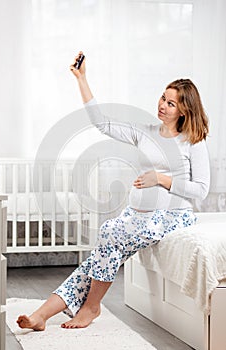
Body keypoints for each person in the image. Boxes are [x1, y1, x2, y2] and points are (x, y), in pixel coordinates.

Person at [17, 51, 210, 330]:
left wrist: (161, 179)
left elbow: (201, 190)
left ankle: (91, 307)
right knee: (100, 256)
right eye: (162, 98)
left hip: (172, 217)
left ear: (184, 110)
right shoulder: (146, 132)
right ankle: (42, 315)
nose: (163, 105)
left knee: (108, 233)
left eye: (171, 103)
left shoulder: (193, 140)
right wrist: (82, 80)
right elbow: (102, 123)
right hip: (137, 215)